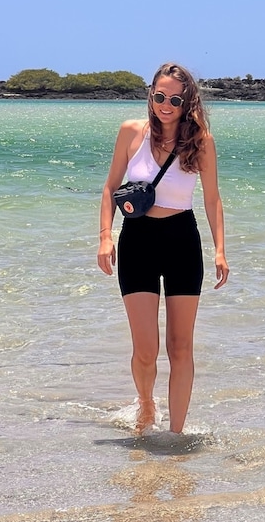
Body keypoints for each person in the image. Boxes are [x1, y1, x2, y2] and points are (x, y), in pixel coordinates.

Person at [97, 63, 229, 433]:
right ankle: (145, 404)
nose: (166, 105)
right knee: (145, 349)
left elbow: (213, 199)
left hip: (181, 241)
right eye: (159, 97)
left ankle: (176, 435)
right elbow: (109, 188)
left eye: (175, 99)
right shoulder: (130, 133)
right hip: (137, 239)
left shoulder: (201, 141)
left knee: (180, 347)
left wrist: (220, 249)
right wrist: (105, 237)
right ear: (150, 95)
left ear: (188, 101)